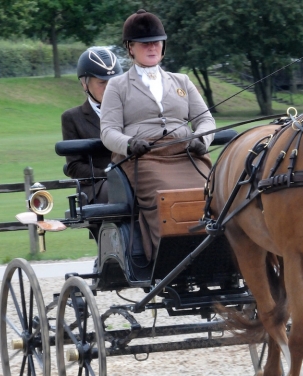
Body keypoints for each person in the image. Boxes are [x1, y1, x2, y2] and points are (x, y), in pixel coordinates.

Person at [100, 9, 215, 261]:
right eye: (144, 44)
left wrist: (201, 140)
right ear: (130, 48)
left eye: (156, 42)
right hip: (144, 158)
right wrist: (130, 145)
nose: (152, 48)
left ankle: (218, 249)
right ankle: (170, 256)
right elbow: (108, 131)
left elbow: (205, 119)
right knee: (167, 193)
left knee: (215, 189)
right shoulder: (117, 86)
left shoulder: (182, 81)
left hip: (186, 153)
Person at [61, 47, 123, 205]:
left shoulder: (131, 110)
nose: (109, 88)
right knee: (118, 189)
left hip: (133, 178)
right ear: (84, 84)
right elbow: (74, 166)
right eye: (102, 82)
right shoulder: (73, 118)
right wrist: (110, 174)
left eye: (113, 82)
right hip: (95, 186)